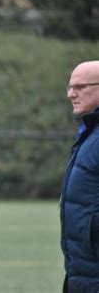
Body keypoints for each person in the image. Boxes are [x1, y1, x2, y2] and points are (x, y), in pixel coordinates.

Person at [62, 60, 99, 292]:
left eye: (80, 87)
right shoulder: (90, 131)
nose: (71, 94)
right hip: (83, 271)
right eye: (69, 87)